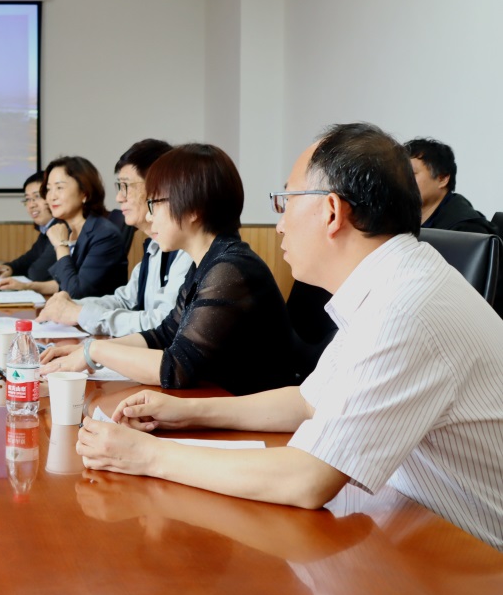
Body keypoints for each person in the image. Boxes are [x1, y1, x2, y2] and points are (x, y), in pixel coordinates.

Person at [78, 123, 503, 550]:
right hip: (412, 524)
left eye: (286, 202)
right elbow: (308, 401)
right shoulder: (393, 281)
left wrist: (145, 455)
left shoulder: (403, 308)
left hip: (471, 561)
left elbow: (307, 478)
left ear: (331, 211)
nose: (279, 225)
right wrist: (184, 412)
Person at [40, 144, 298, 396]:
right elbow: (163, 334)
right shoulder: (207, 261)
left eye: (155, 203)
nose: (149, 216)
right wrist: (87, 349)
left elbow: (176, 368)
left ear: (193, 209)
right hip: (217, 402)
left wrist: (95, 352)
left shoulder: (229, 269)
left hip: (248, 414)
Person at [36, 139, 191, 336]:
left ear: (160, 187)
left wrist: (79, 312)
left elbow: (163, 323)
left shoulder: (187, 249)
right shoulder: (154, 246)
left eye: (126, 186)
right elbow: (124, 300)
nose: (119, 198)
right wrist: (71, 305)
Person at [0, 156, 126, 299]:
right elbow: (66, 281)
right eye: (48, 189)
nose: (51, 197)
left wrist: (61, 246)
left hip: (97, 312)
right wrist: (27, 287)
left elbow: (76, 292)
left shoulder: (104, 234)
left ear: (84, 192)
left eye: (59, 188)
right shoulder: (69, 229)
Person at [405, 137, 497, 235]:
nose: (402, 180)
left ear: (442, 179)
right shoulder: (403, 219)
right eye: (399, 174)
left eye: (411, 173)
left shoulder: (467, 229)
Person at [0, 172, 57, 282]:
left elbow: (37, 273)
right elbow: (30, 258)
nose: (31, 205)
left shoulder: (61, 228)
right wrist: (10, 268)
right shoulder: (46, 229)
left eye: (37, 196)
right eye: (28, 199)